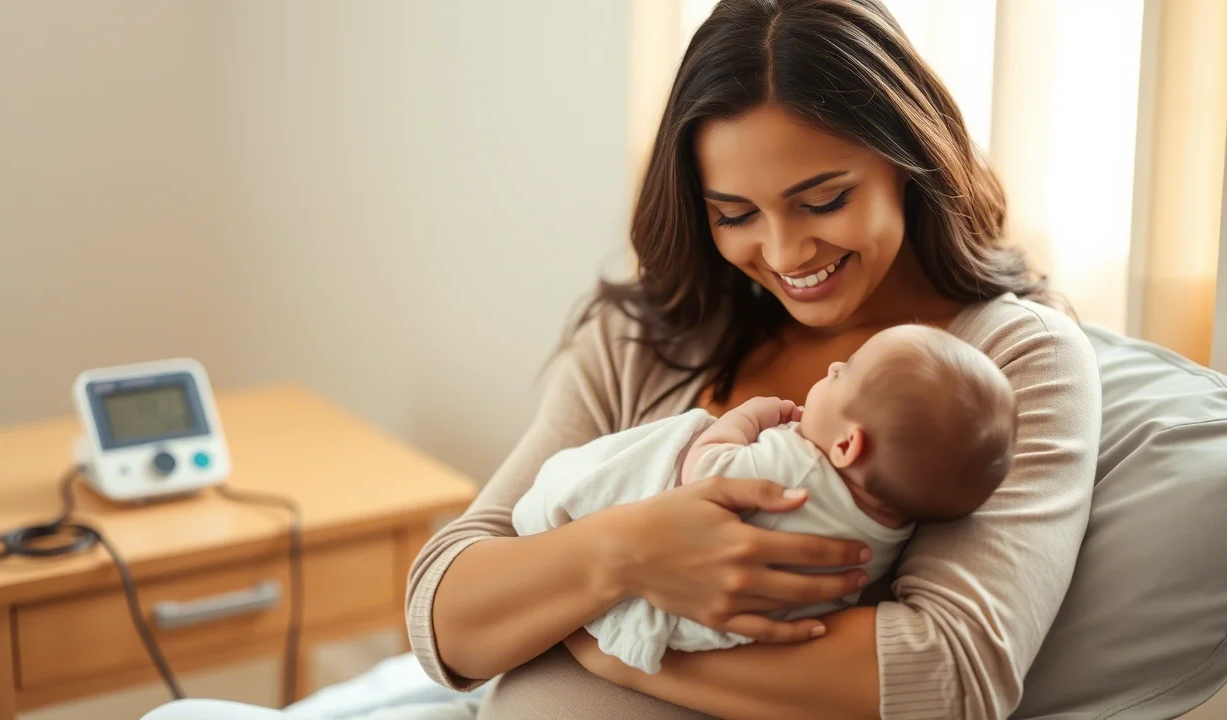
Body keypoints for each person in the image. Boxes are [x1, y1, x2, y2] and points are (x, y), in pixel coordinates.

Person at [143, 1, 1101, 718]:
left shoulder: (1005, 360)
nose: (785, 252)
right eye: (735, 215)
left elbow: (952, 671)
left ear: (908, 157)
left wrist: (611, 645)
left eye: (822, 198)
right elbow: (445, 612)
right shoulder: (653, 331)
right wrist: (628, 553)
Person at [511, 324, 1017, 675]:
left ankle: (553, 512)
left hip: (674, 601)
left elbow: (703, 478)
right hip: (723, 637)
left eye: (847, 373)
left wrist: (741, 423)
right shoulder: (890, 531)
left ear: (846, 445)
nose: (836, 365)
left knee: (678, 440)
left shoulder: (795, 467)